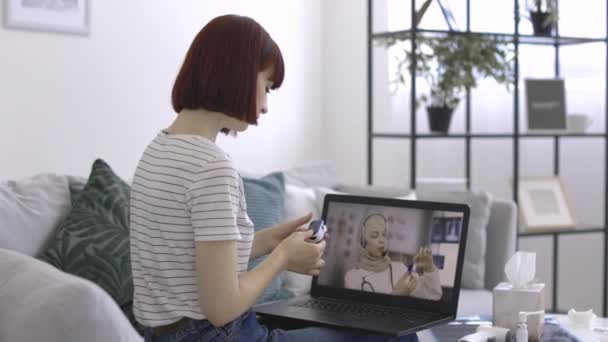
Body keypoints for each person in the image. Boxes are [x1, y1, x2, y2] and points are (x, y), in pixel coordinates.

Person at [129, 14, 418, 342]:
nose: (265, 106)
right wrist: (282, 259)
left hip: (166, 334)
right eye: (266, 86)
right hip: (219, 334)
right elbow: (221, 307)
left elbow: (192, 261)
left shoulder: (159, 149)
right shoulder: (212, 168)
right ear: (237, 76)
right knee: (395, 334)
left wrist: (271, 241)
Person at [344, 214, 442, 301]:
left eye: (384, 234)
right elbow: (359, 314)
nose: (382, 240)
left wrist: (429, 268)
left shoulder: (399, 269)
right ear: (363, 242)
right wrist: (397, 294)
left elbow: (433, 295)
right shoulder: (353, 277)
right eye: (374, 235)